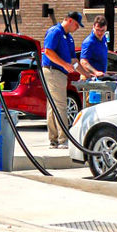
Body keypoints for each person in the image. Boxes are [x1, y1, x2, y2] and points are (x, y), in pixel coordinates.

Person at [41, 11, 81, 149]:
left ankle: (54, 140)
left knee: (53, 106)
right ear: (69, 20)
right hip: (53, 71)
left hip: (60, 73)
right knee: (60, 105)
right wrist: (64, 65)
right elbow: (48, 51)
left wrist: (85, 73)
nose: (77, 28)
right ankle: (63, 139)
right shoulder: (55, 32)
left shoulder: (68, 37)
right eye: (76, 24)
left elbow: (74, 60)